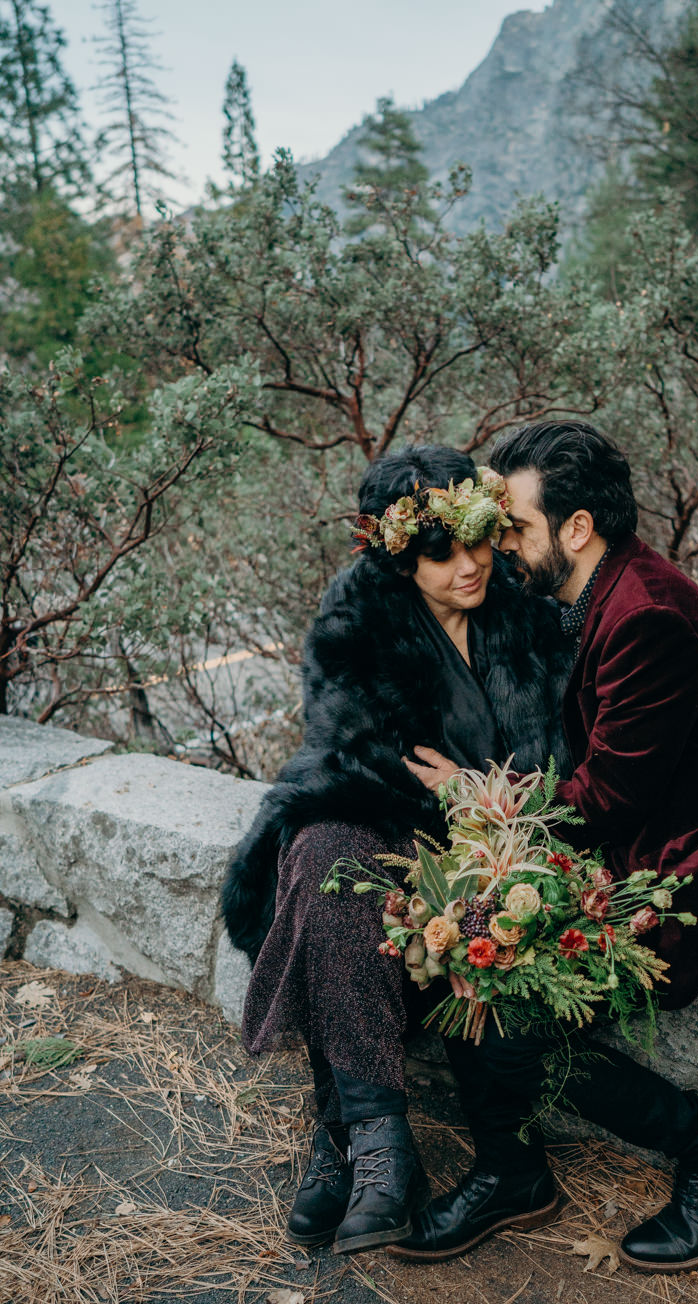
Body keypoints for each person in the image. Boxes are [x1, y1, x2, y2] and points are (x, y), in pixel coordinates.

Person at [391, 420, 698, 1274]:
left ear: (576, 528)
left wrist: (481, 799)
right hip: (629, 850)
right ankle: (512, 1172)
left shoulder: (648, 618)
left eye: (517, 529)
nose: (502, 546)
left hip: (684, 879)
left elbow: (605, 796)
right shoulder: (590, 592)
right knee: (458, 944)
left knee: (504, 1000)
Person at [222, 444, 571, 1255]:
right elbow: (348, 755)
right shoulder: (358, 613)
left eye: (477, 540)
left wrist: (472, 792)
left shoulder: (525, 613)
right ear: (399, 553)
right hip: (380, 819)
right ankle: (380, 1145)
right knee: (324, 859)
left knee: (336, 882)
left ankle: (342, 1132)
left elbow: (554, 763)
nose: (469, 564)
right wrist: (436, 797)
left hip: (491, 842)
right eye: (439, 551)